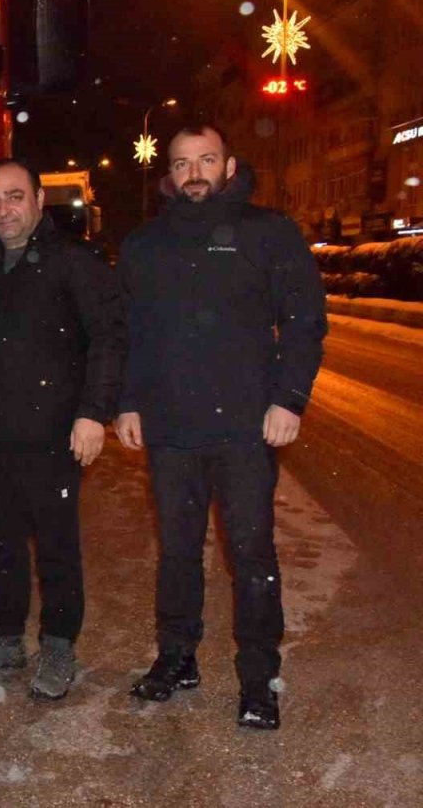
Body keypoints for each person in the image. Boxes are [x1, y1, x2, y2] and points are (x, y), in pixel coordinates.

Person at [116, 125, 326, 730]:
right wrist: (129, 402)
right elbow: (132, 333)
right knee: (177, 552)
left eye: (207, 160)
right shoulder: (145, 245)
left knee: (251, 553)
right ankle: (177, 658)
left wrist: (289, 400)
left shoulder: (269, 233)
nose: (194, 173)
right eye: (182, 164)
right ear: (170, 173)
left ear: (230, 165)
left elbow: (305, 321)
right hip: (172, 432)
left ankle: (258, 681)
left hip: (245, 431)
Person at [0, 158, 124, 700]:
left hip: (54, 432)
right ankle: (5, 636)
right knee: (1, 543)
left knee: (57, 546)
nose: (3, 209)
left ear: (39, 198)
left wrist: (93, 413)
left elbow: (108, 339)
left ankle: (59, 643)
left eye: (15, 196)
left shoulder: (75, 263)